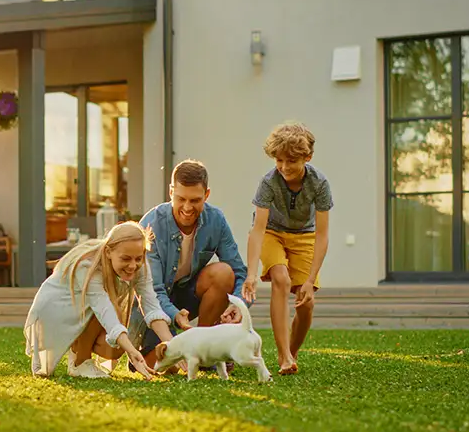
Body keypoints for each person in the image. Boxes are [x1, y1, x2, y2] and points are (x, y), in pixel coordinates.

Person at [135, 159, 250, 369]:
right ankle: (157, 351)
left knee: (223, 273)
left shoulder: (216, 220)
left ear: (206, 195)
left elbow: (238, 271)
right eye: (181, 199)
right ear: (171, 192)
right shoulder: (151, 225)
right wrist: (174, 315)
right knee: (163, 366)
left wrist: (239, 304)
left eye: (195, 200)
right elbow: (152, 290)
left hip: (187, 295)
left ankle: (205, 351)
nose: (187, 208)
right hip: (152, 303)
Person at [24, 221, 176, 380]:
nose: (133, 265)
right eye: (126, 258)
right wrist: (132, 351)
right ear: (109, 252)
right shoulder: (88, 266)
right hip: (55, 310)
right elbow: (104, 310)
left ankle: (78, 353)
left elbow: (152, 307)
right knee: (107, 315)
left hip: (86, 309)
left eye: (138, 258)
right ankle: (80, 362)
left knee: (115, 349)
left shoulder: (140, 266)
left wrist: (175, 348)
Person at [242, 122, 333, 375]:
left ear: (308, 157)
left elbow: (323, 235)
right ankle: (283, 355)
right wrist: (251, 274)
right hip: (272, 233)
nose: (283, 167)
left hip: (305, 236)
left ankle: (291, 355)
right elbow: (258, 229)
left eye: (291, 161)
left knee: (306, 303)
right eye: (279, 160)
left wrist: (311, 279)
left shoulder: (319, 183)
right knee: (280, 278)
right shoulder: (269, 182)